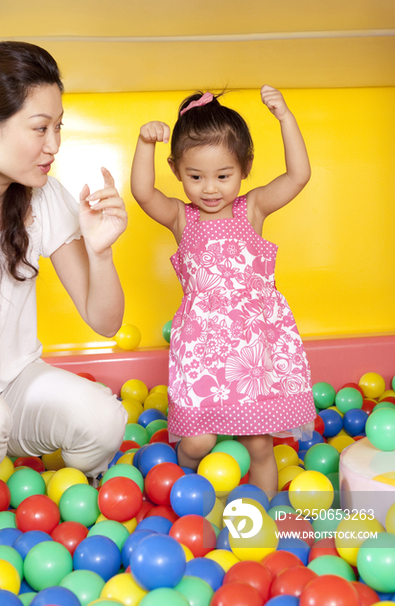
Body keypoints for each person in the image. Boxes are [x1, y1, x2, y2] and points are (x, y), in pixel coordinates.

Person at [0, 41, 128, 488]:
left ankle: (11, 467)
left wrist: (100, 252)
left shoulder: (44, 195)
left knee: (104, 421)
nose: (54, 145)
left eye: (58, 127)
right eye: (40, 128)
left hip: (14, 387)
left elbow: (106, 322)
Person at [131, 86, 315, 492]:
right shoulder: (182, 217)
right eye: (195, 177)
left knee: (259, 444)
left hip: (251, 350)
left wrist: (285, 117)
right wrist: (144, 143)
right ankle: (188, 495)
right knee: (198, 441)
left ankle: (262, 516)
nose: (209, 188)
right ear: (176, 169)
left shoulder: (253, 208)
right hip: (203, 349)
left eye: (223, 175)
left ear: (245, 167)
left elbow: (298, 176)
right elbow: (143, 194)